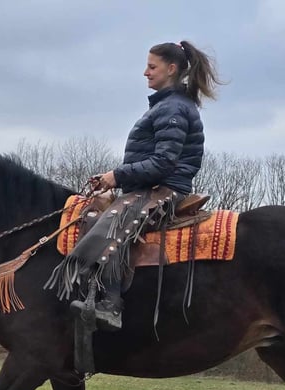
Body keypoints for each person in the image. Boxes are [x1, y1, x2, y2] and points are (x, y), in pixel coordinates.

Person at [46, 40, 223, 331]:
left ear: (171, 68)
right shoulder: (168, 105)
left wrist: (116, 176)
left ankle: (111, 305)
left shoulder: (174, 109)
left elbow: (163, 162)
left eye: (152, 67)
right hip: (149, 186)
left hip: (164, 188)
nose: (145, 72)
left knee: (113, 224)